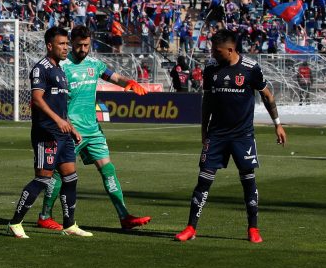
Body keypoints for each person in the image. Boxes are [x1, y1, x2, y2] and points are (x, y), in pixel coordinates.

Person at [175, 29, 287, 244]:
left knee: (248, 181)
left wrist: (277, 125)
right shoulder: (210, 69)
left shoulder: (250, 69)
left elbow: (267, 95)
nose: (213, 54)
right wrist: (204, 129)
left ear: (230, 49)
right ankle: (190, 227)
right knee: (203, 181)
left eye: (217, 51)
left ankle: (253, 228)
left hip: (242, 136)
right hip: (216, 135)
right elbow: (207, 100)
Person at [36, 26, 152, 231]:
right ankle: (45, 215)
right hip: (71, 130)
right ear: (71, 43)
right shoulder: (61, 66)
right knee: (58, 174)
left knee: (108, 170)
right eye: (79, 45)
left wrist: (130, 82)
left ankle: (124, 216)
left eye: (86, 45)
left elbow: (114, 77)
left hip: (93, 130)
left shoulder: (94, 64)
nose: (83, 49)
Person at [6, 26, 86, 239]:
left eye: (66, 44)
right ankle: (15, 222)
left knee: (70, 177)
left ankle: (70, 224)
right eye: (61, 44)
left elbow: (60, 105)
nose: (65, 47)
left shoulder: (60, 70)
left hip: (63, 133)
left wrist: (71, 126)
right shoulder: (41, 68)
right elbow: (38, 100)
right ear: (50, 46)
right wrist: (59, 121)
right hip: (46, 133)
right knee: (42, 179)